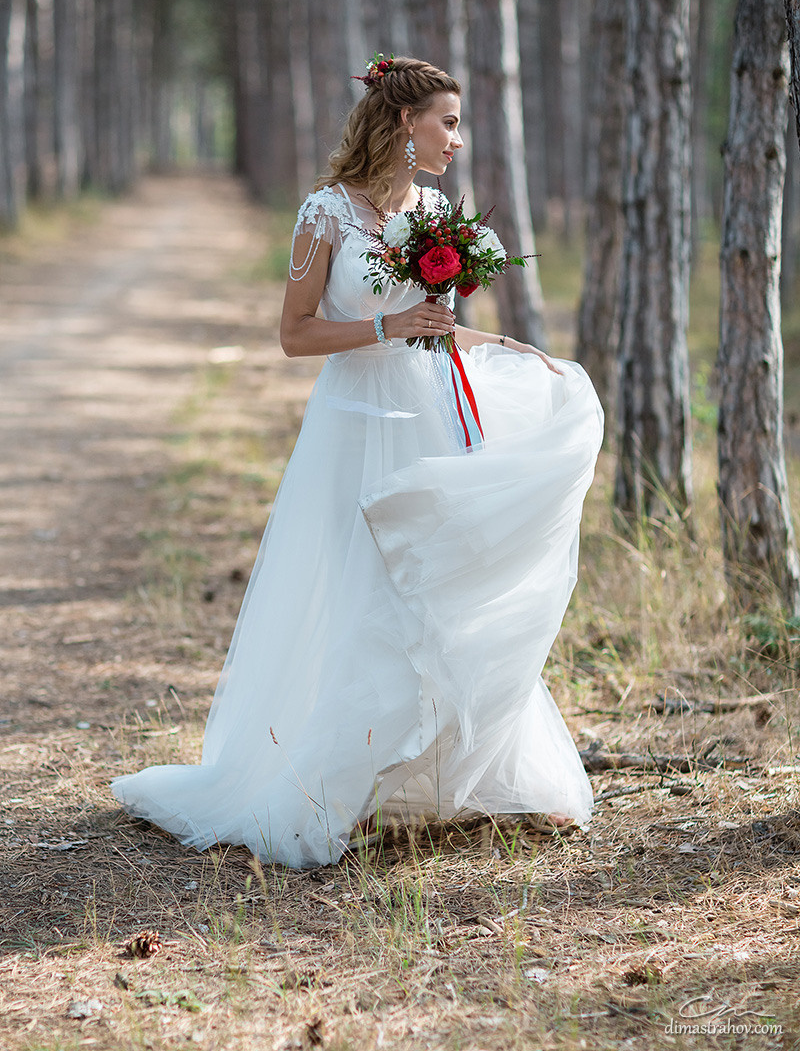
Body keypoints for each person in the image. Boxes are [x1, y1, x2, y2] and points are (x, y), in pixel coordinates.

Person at [112, 56, 603, 869]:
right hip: (353, 422)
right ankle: (340, 781)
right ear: (403, 123)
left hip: (427, 413)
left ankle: (440, 776)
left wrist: (507, 346)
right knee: (360, 589)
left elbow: (434, 328)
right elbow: (295, 332)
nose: (456, 136)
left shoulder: (438, 212)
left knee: (434, 590)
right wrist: (385, 328)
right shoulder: (326, 213)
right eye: (447, 119)